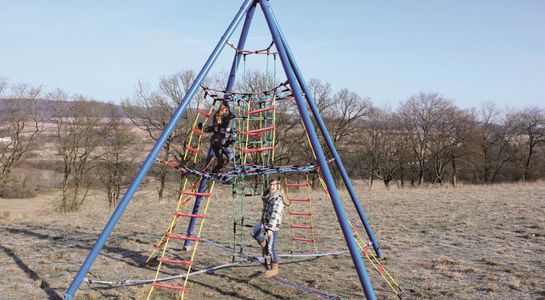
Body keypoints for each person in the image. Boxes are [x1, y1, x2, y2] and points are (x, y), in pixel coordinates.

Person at [251, 179, 289, 277]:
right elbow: (263, 198)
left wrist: (271, 229)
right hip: (264, 222)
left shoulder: (278, 200)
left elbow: (275, 216)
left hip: (273, 226)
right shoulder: (270, 196)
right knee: (254, 232)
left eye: (273, 185)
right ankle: (265, 246)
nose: (271, 187)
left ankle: (274, 268)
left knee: (272, 248)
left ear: (278, 186)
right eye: (270, 185)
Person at [201, 103, 236, 173]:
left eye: (227, 111)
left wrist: (232, 139)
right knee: (221, 161)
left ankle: (224, 171)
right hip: (217, 143)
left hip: (225, 143)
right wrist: (204, 128)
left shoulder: (229, 121)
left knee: (232, 157)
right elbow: (213, 128)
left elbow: (232, 131)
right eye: (224, 111)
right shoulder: (219, 125)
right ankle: (216, 171)